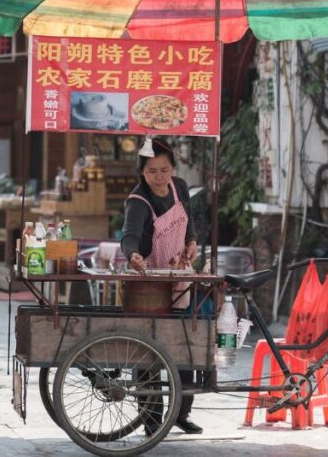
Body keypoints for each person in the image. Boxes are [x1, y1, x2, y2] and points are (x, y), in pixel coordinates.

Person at [120, 138, 201, 435]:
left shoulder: (179, 187)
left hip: (178, 275)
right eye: (152, 171)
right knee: (148, 351)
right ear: (142, 171)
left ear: (173, 169)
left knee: (183, 344)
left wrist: (191, 242)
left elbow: (189, 221)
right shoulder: (138, 200)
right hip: (148, 282)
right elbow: (128, 235)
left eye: (164, 170)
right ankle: (151, 418)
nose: (159, 177)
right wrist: (133, 256)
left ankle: (181, 412)